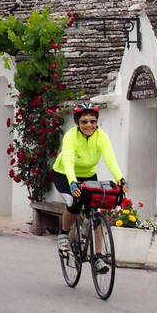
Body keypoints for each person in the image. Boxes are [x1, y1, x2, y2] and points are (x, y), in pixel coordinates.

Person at [53, 102, 126, 272]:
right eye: (84, 121)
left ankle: (98, 257)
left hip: (88, 174)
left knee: (96, 211)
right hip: (64, 173)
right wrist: (72, 182)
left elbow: (110, 160)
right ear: (77, 123)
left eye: (92, 121)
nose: (89, 125)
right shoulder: (70, 136)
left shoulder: (102, 137)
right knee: (73, 201)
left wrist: (120, 179)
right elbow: (69, 161)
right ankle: (63, 235)